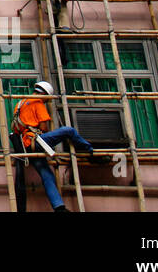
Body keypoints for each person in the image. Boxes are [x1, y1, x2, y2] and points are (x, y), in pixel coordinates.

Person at [12, 80, 98, 212]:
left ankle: (59, 208)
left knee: (47, 175)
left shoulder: (20, 104)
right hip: (36, 141)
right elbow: (43, 127)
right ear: (45, 95)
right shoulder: (38, 102)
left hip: (26, 146)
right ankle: (89, 150)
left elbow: (18, 129)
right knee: (68, 131)